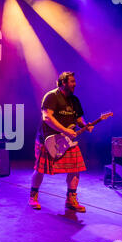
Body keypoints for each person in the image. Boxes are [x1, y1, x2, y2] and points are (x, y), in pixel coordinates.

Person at [30, 72, 93, 212]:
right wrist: (65, 130)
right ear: (63, 82)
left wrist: (84, 125)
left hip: (67, 141)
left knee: (76, 168)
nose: (74, 84)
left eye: (74, 81)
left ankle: (71, 200)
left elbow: (78, 119)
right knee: (40, 170)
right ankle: (33, 196)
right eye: (72, 81)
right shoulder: (51, 96)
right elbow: (47, 118)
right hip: (48, 139)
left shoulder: (74, 100)